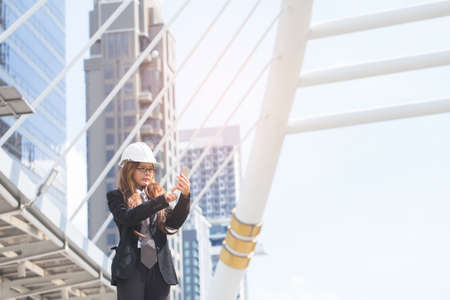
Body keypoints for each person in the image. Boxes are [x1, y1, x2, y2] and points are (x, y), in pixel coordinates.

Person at [107, 142, 190, 300]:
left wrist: (184, 198)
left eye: (150, 169)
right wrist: (160, 201)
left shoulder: (157, 195)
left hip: (159, 267)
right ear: (130, 169)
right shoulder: (116, 196)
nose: (148, 173)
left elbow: (173, 223)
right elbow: (128, 217)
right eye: (142, 168)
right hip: (131, 266)